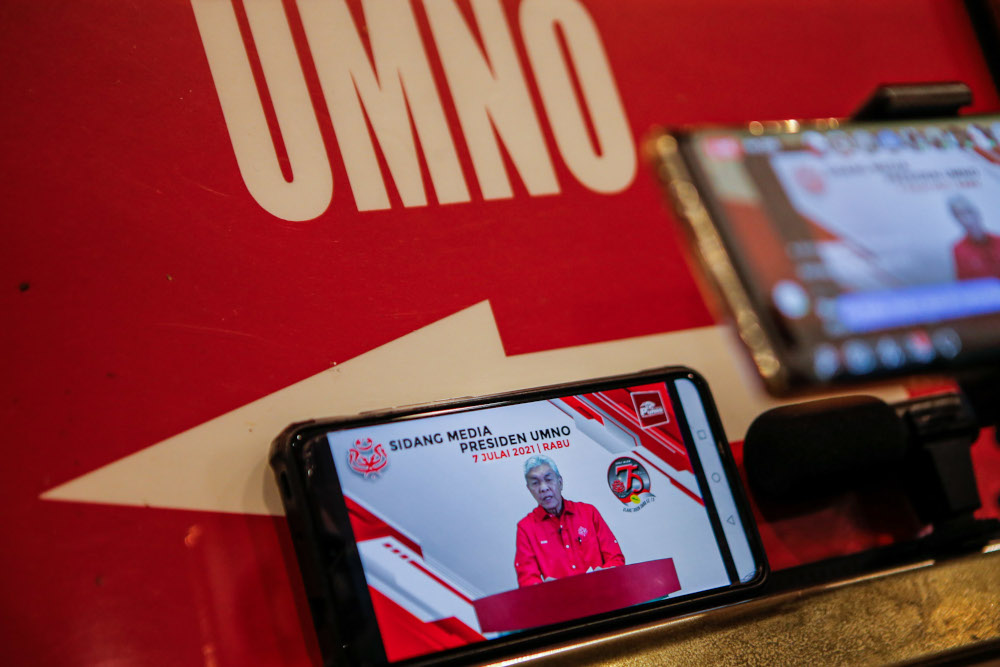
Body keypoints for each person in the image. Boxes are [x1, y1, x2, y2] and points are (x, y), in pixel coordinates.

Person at [514, 455, 624, 587]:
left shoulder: (588, 513)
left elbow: (615, 558)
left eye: (548, 480)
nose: (543, 488)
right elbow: (527, 580)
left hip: (601, 594)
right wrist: (542, 588)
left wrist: (605, 573)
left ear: (560, 482)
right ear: (529, 489)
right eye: (535, 483)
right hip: (560, 603)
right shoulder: (526, 528)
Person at [949, 194, 1000, 280]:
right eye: (960, 215)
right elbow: (963, 282)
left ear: (977, 213)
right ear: (957, 219)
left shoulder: (998, 241)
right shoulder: (958, 248)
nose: (967, 218)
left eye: (969, 212)